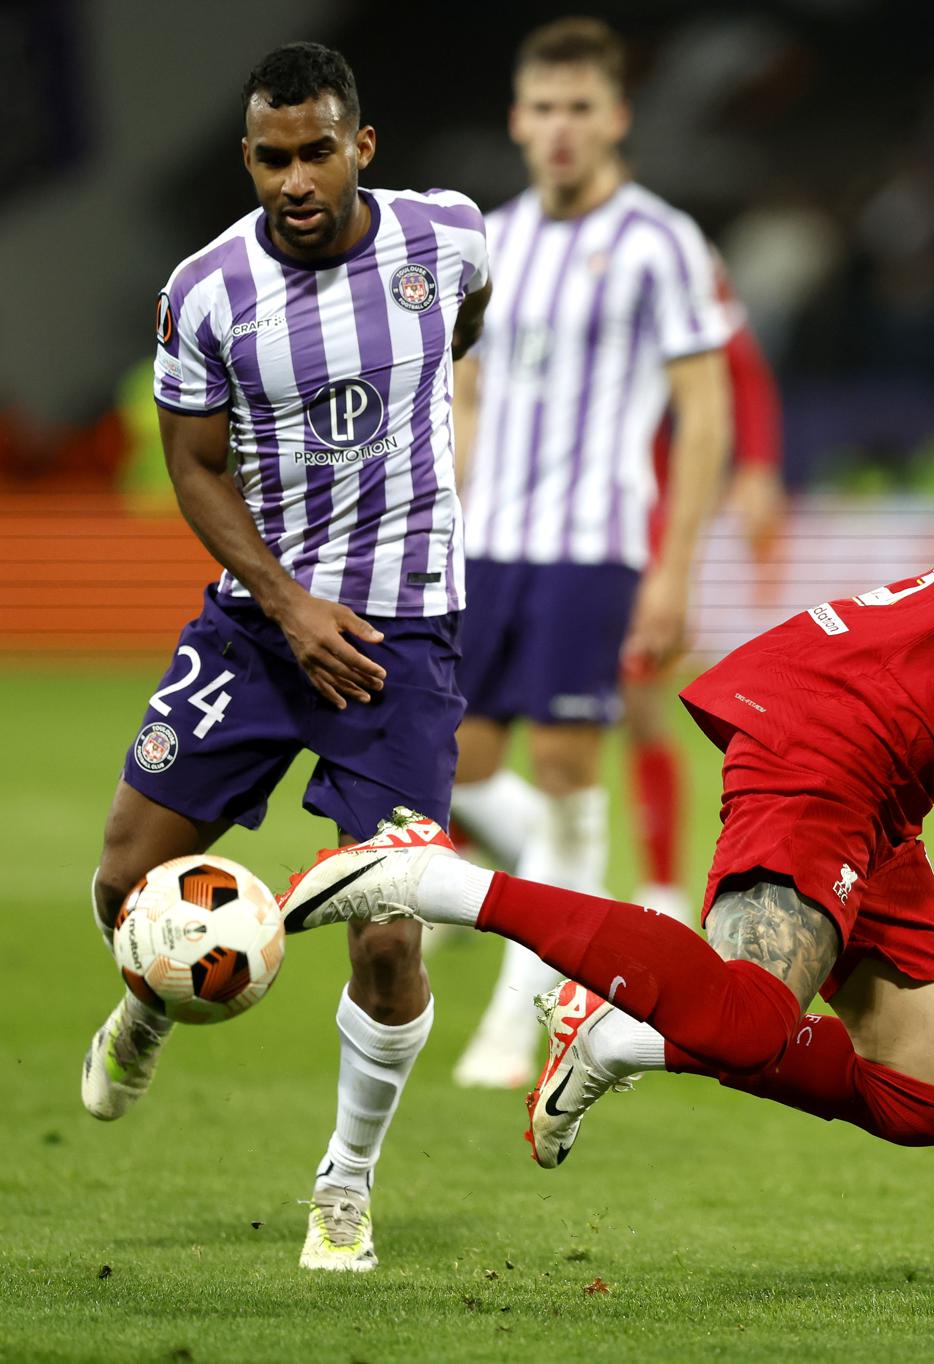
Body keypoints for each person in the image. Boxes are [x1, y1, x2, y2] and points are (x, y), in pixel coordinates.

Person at [279, 350, 934, 1169]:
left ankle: (611, 1037)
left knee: (933, 1097)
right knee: (748, 1016)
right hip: (828, 727)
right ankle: (431, 876)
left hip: (890, 800)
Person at [82, 42, 491, 1273]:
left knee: (387, 936)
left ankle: (344, 1184)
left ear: (361, 146)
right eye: (273, 156)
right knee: (120, 884)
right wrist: (287, 599)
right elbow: (194, 465)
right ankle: (150, 996)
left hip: (401, 637)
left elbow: (462, 324)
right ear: (248, 158)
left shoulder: (450, 238)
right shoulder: (204, 290)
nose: (297, 178)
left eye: (319, 151)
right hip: (260, 627)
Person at [444, 17, 733, 1089]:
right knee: (452, 766)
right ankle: (580, 901)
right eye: (544, 108)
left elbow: (702, 416)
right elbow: (468, 392)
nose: (561, 128)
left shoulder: (662, 241)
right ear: (518, 121)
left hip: (593, 547)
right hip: (488, 546)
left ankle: (520, 1016)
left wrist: (674, 566)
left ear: (614, 119)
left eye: (581, 109)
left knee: (566, 771)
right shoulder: (492, 239)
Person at [621, 251, 784, 919]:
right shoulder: (506, 241)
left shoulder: (668, 254)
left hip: (636, 501)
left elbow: (741, 369)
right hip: (519, 516)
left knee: (639, 690)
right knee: (482, 697)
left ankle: (660, 885)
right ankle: (466, 849)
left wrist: (756, 466)